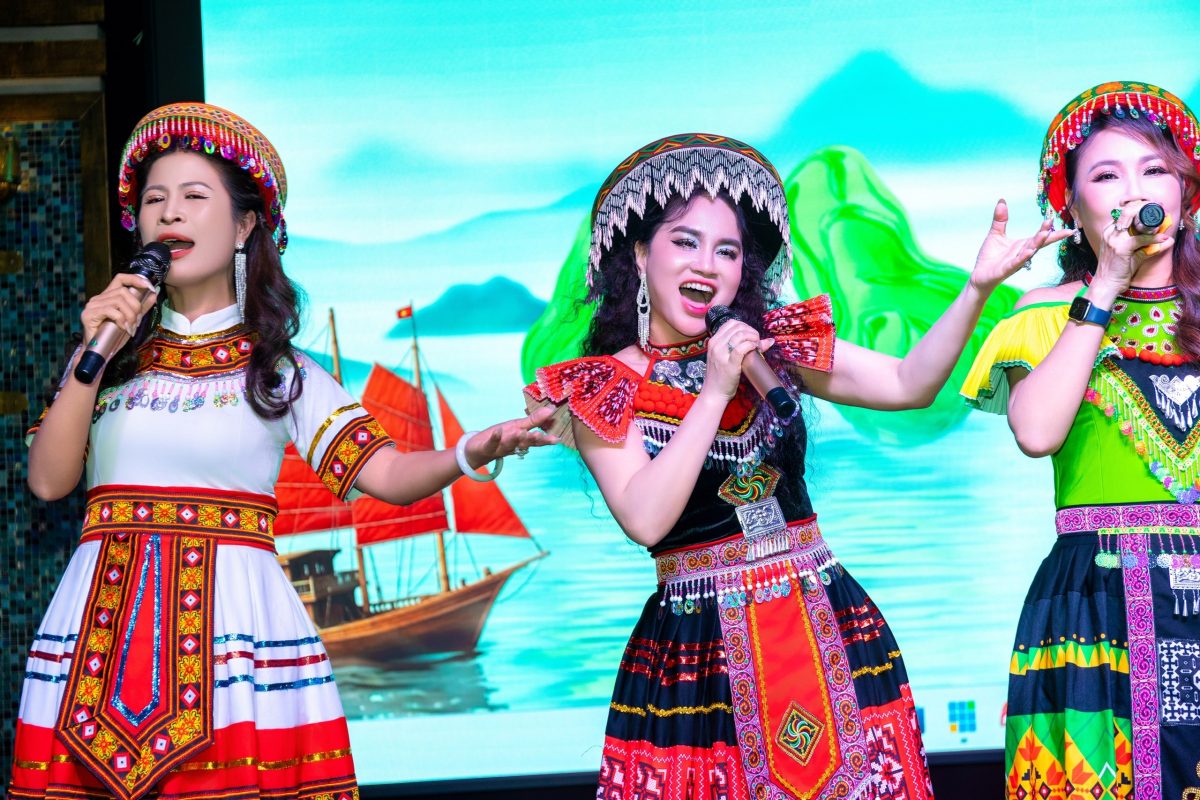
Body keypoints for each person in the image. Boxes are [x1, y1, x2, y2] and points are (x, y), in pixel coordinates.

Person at [7, 102, 553, 800]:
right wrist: (92, 352)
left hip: (238, 643)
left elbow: (387, 473)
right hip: (98, 643)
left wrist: (473, 449)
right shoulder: (108, 360)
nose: (169, 212)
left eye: (194, 196)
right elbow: (49, 481)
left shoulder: (279, 371)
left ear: (244, 226)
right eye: (154, 200)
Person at [525, 133, 1064, 799]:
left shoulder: (772, 348)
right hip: (701, 656)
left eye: (727, 251)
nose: (708, 265)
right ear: (640, 254)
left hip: (822, 623)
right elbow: (645, 517)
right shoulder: (601, 386)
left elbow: (908, 384)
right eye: (686, 242)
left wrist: (977, 288)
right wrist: (715, 391)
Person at [962, 82, 1200, 800]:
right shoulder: (1043, 315)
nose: (1136, 192)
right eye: (1106, 176)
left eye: (1154, 170)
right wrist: (1105, 289)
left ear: (1187, 192)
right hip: (1098, 600)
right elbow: (1036, 432)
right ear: (1071, 206)